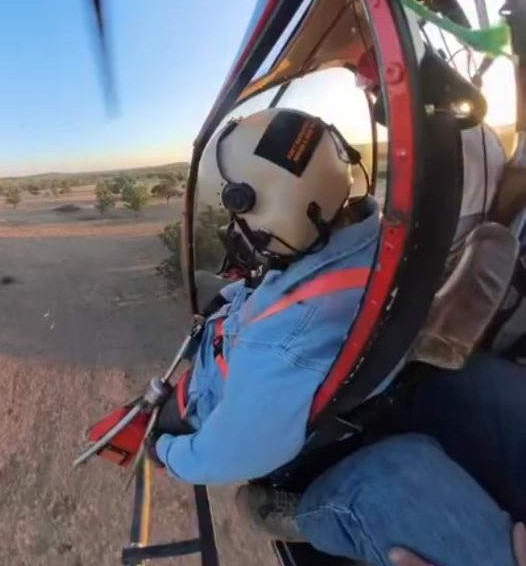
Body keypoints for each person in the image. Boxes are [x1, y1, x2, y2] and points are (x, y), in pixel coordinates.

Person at [147, 105, 524, 566]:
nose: (237, 227)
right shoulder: (380, 234)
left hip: (310, 437)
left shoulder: (280, 345)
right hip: (373, 379)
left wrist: (168, 452)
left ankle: (309, 512)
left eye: (238, 211)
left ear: (266, 206)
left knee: (390, 482)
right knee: (489, 391)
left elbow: (226, 453)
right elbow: (297, 278)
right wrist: (231, 298)